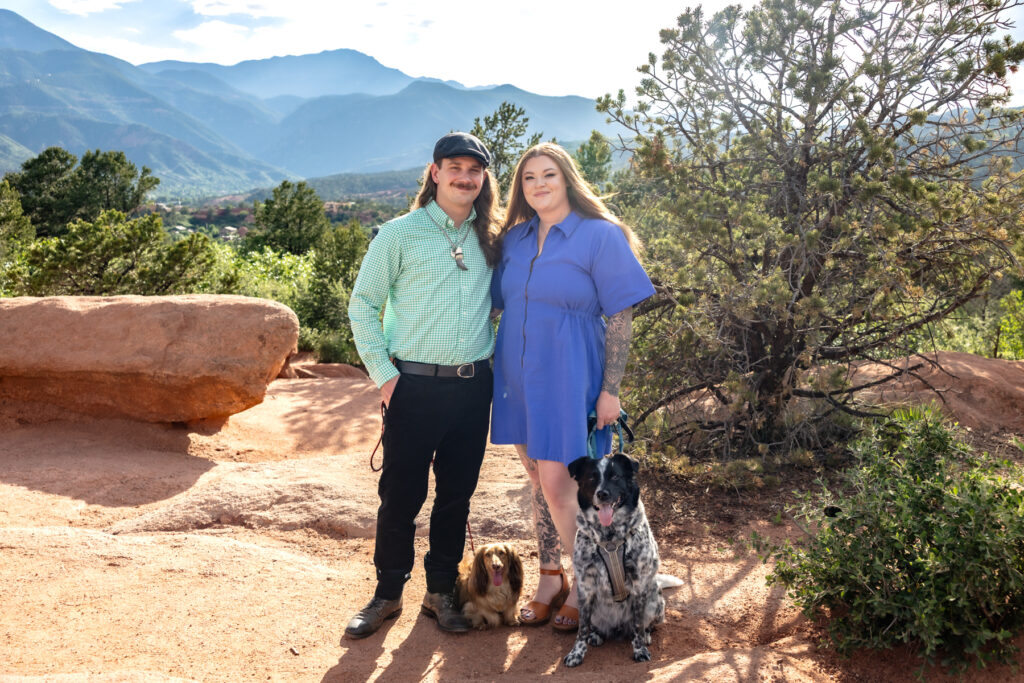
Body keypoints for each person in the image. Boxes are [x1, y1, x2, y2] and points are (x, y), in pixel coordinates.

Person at [490, 142, 655, 631]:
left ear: (567, 180)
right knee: (538, 480)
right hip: (518, 377)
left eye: (549, 175)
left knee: (561, 486)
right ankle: (550, 578)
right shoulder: (515, 240)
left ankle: (591, 586)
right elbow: (494, 303)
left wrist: (610, 389)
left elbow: (620, 316)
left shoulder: (599, 235)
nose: (538, 184)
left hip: (570, 374)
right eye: (528, 178)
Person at [344, 132, 502, 638]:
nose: (465, 177)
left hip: (473, 388)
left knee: (456, 496)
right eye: (455, 167)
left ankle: (440, 593)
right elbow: (363, 306)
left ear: (483, 179)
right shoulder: (398, 234)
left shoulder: (493, 238)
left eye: (474, 170)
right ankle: (387, 594)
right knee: (400, 496)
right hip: (411, 386)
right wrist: (386, 378)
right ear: (435, 173)